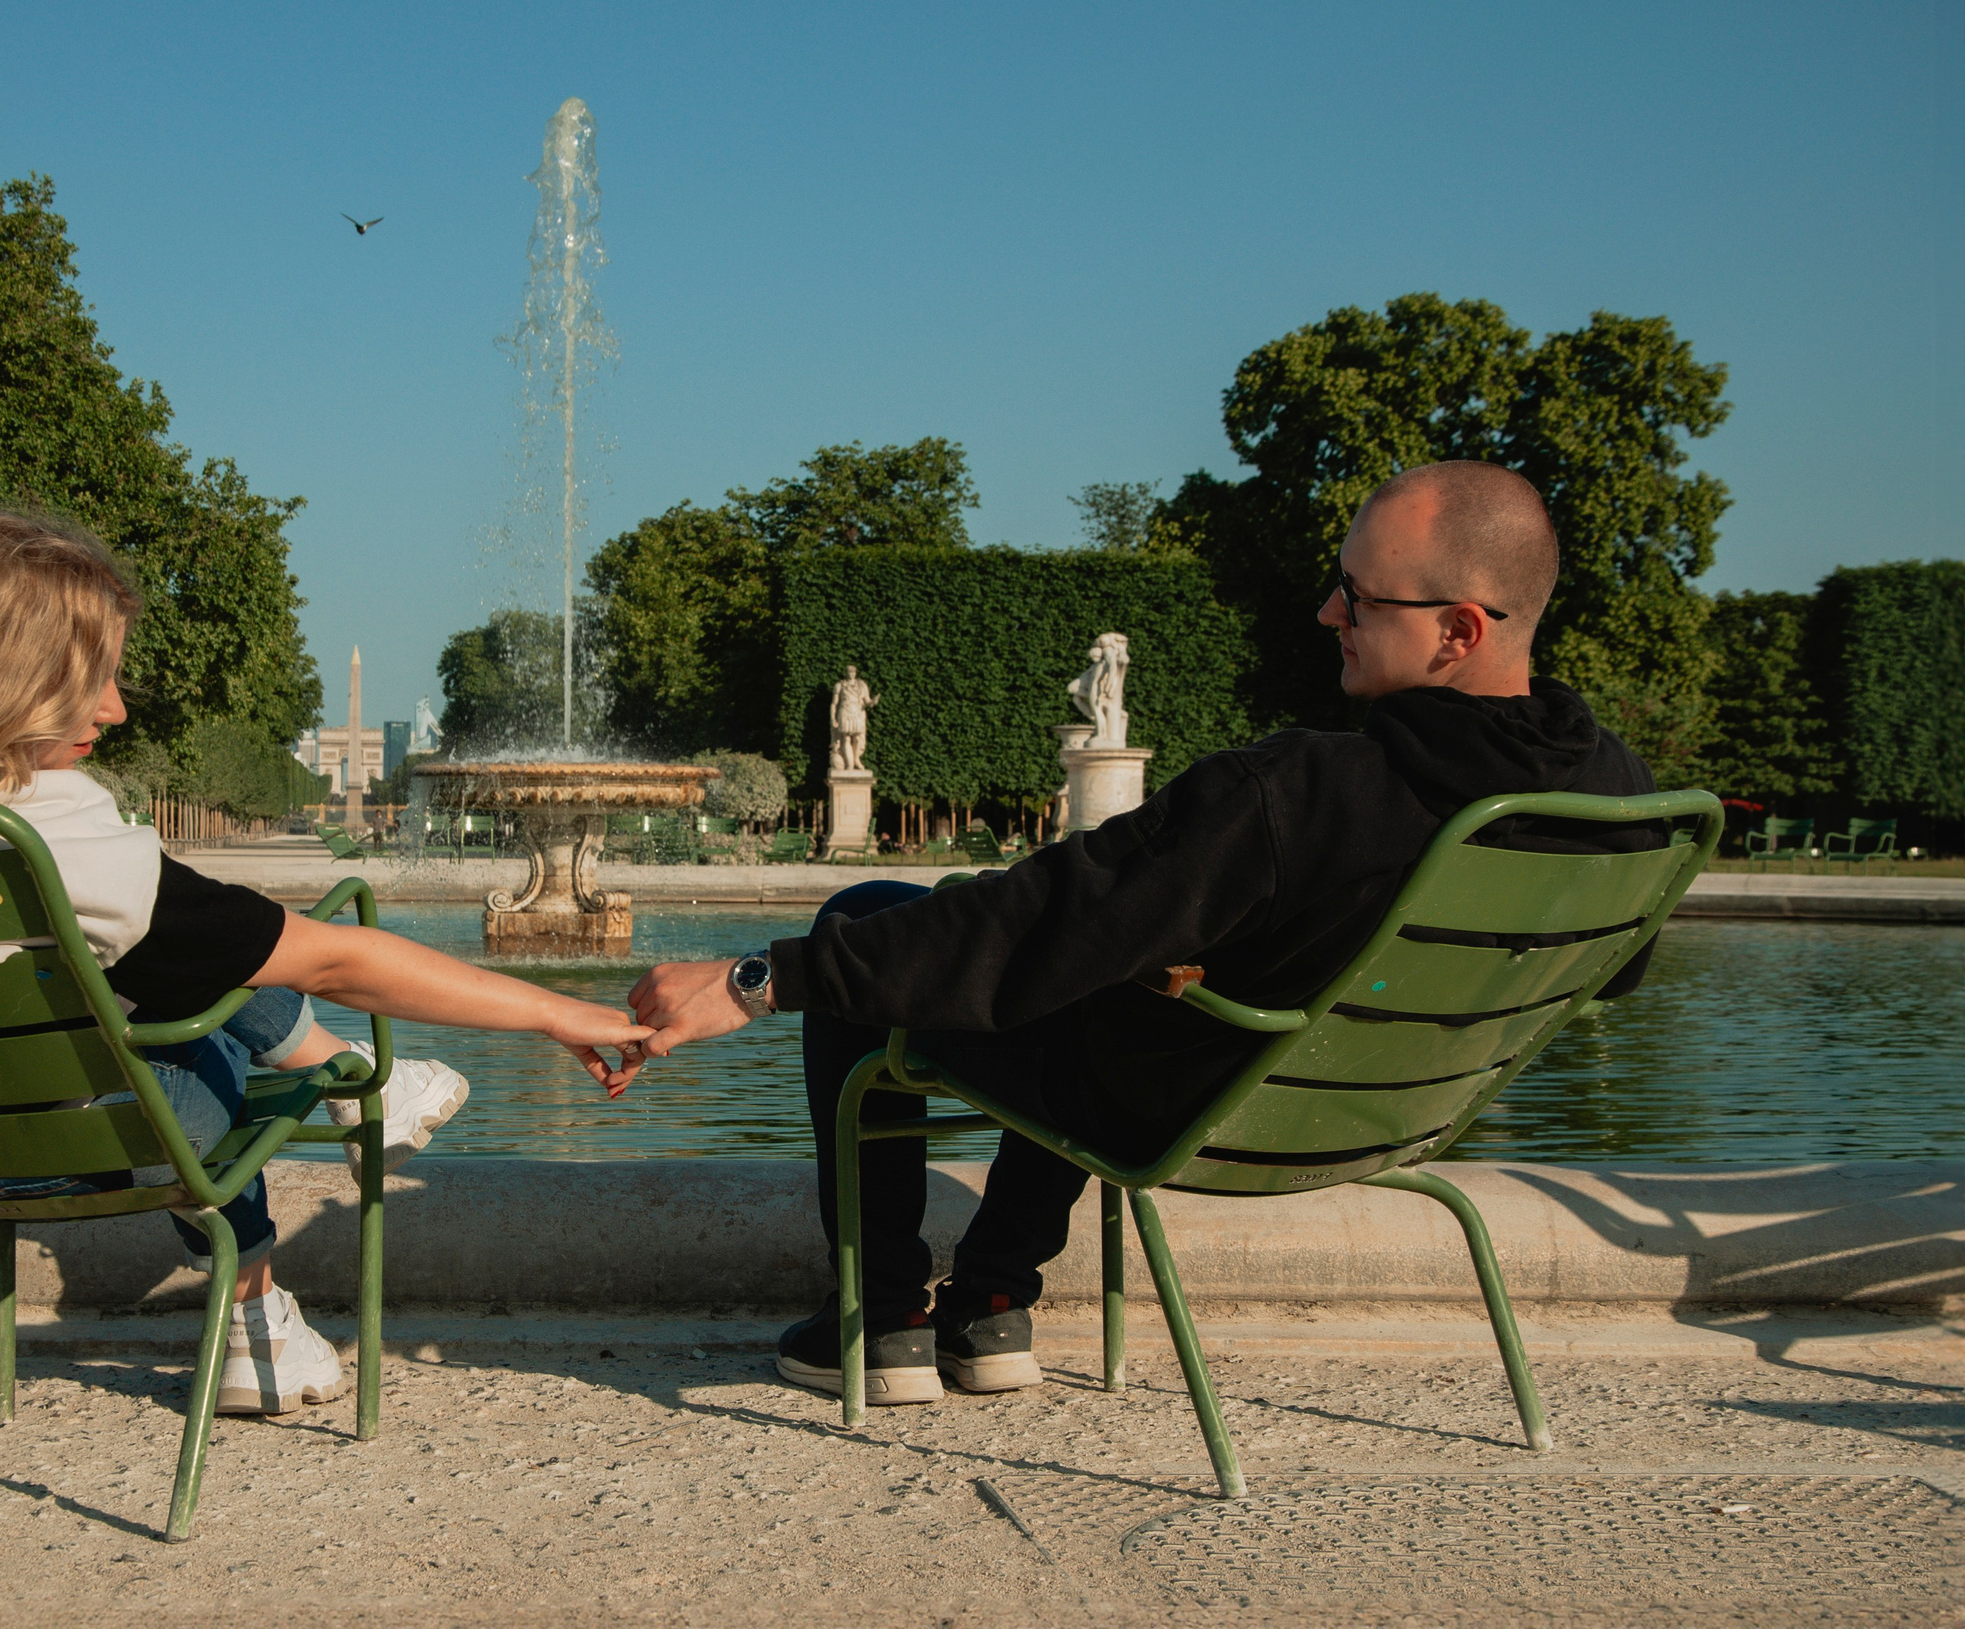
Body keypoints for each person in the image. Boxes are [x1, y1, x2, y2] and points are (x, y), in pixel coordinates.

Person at [628, 462, 1667, 1406]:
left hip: (1190, 1108)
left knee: (867, 921)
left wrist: (764, 978)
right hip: (1379, 1116)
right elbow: (1616, 971)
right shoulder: (1615, 790)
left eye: (1359, 593)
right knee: (1105, 957)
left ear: (1460, 630)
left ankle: (886, 1315)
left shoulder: (1300, 791)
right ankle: (989, 1300)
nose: (1327, 608)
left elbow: (1038, 921)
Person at [0, 508, 652, 1417]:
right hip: (48, 1147)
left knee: (142, 953)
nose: (118, 708)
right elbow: (336, 956)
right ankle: (309, 1172)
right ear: (11, 680)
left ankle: (343, 1093)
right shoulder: (48, 838)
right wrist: (563, 1013)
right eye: (94, 680)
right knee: (204, 985)